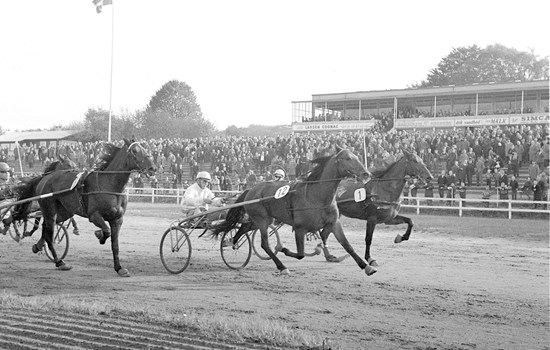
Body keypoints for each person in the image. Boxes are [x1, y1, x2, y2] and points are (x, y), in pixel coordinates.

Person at [0, 162, 17, 235]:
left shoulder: (12, 180)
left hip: (13, 201)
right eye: (3, 172)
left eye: (7, 171)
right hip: (3, 202)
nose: (6, 173)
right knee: (6, 217)